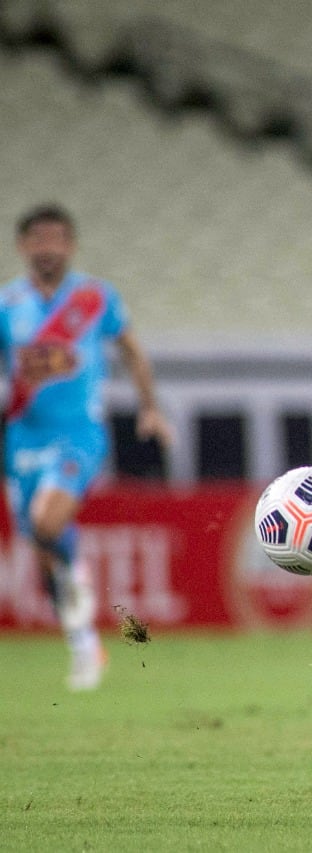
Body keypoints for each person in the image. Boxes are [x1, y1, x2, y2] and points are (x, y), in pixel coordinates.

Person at [1, 203, 172, 690]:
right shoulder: (7, 305)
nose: (47, 247)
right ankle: (83, 644)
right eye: (38, 238)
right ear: (23, 246)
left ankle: (75, 577)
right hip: (23, 438)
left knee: (46, 522)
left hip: (79, 435)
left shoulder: (96, 299)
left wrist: (150, 407)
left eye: (56, 238)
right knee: (41, 550)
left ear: (70, 245)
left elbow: (132, 351)